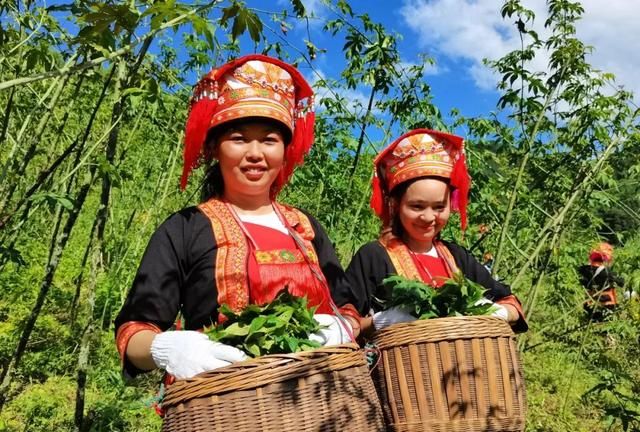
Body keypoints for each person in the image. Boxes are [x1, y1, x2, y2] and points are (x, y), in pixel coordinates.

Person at [115, 55, 362, 381]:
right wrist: (167, 348)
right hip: (227, 405)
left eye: (269, 140)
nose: (256, 153)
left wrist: (341, 326)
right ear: (216, 149)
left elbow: (347, 308)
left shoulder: (306, 227)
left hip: (321, 400)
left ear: (284, 151)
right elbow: (133, 333)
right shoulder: (185, 229)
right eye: (239, 139)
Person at [346, 129, 527, 333]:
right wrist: (379, 322)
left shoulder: (458, 257)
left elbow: (511, 303)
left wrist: (500, 312)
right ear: (395, 205)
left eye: (439, 207)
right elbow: (346, 324)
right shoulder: (373, 257)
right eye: (417, 207)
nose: (429, 217)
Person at [578, 242, 624, 320]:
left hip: (589, 304)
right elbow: (621, 283)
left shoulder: (582, 270)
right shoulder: (607, 272)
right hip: (607, 304)